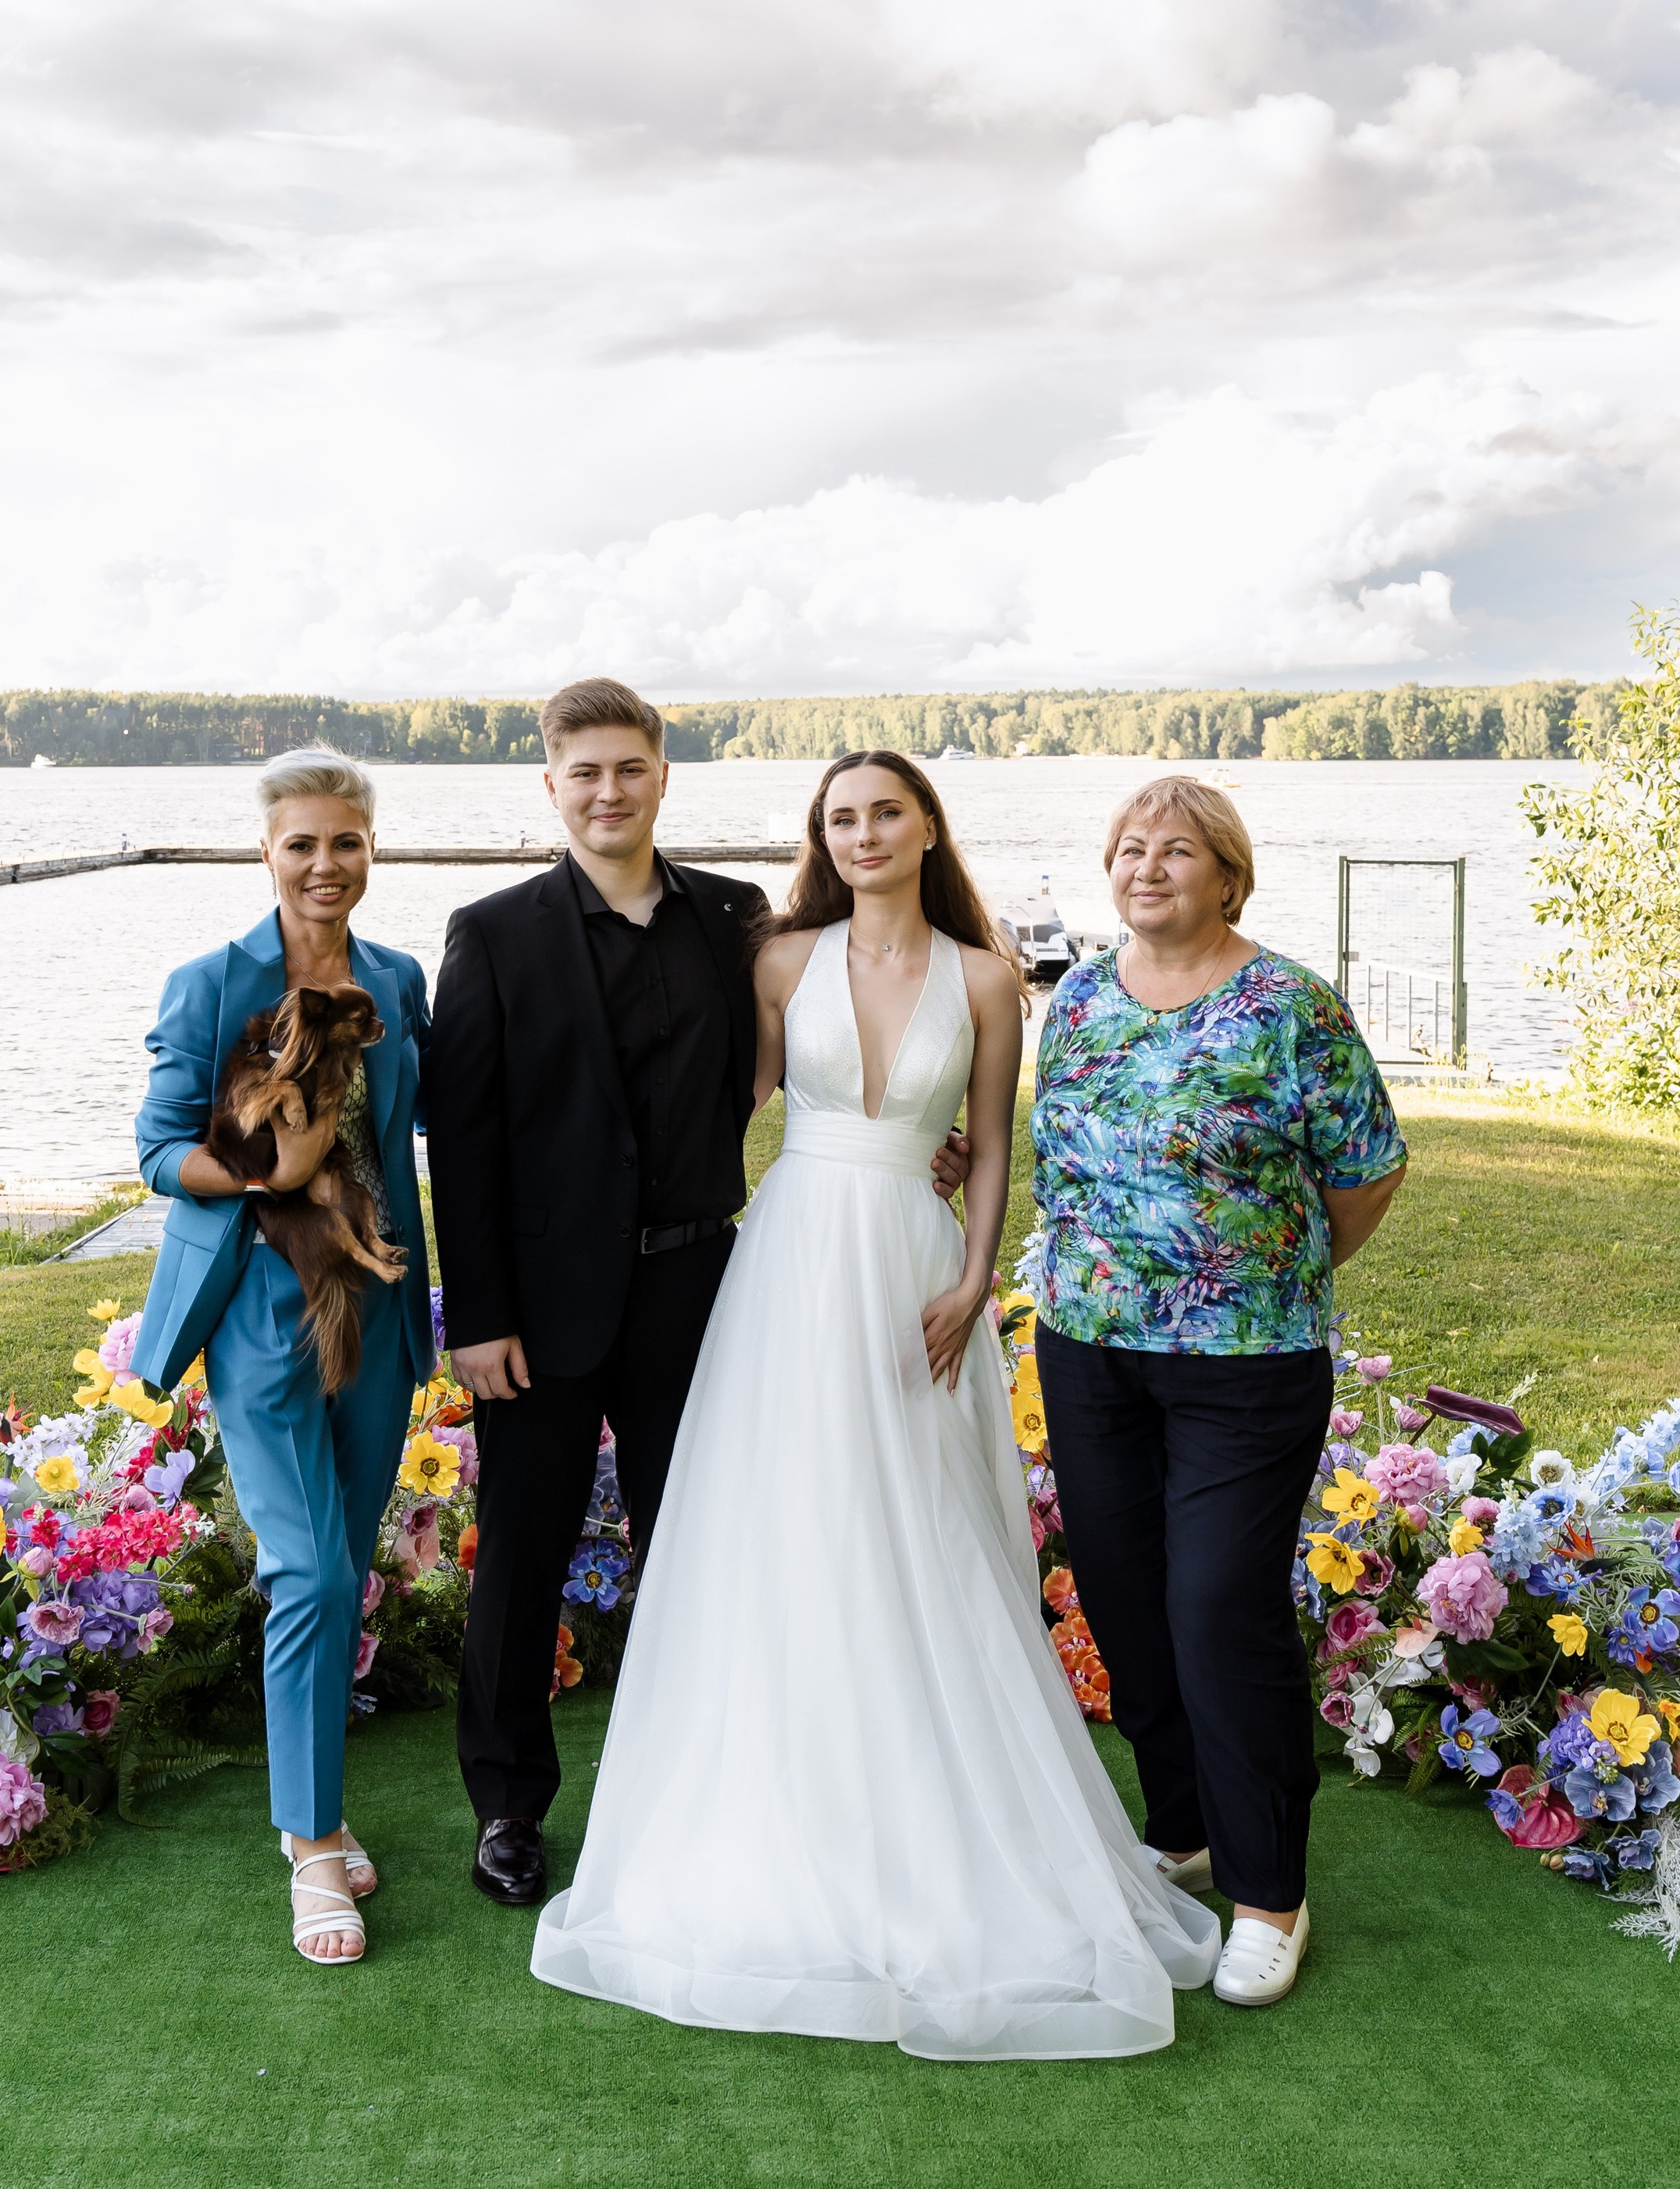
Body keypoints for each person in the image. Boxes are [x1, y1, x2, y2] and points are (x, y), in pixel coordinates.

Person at [529, 751, 1221, 2059]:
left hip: (916, 1263)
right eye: (840, 818)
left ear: (923, 828)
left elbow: (994, 1141)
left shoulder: (987, 976)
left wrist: (973, 1273)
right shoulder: (779, 963)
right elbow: (719, 1113)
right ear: (822, 837)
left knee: (929, 1526)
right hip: (793, 1260)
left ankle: (956, 1807)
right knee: (793, 1520)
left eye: (883, 813)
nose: (861, 834)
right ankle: (787, 1808)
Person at [1029, 774, 1406, 2009]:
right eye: (1130, 848)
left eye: (1177, 851)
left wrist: (1267, 1271)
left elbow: (1364, 1171)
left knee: (1218, 1610)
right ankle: (1181, 1825)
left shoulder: (1288, 1004)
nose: (1148, 868)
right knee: (1128, 1604)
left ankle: (1268, 1894)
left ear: (1228, 877)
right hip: (1089, 1352)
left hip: (1247, 1367)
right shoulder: (1077, 998)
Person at [425, 678, 770, 1909]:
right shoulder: (495, 932)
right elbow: (460, 1143)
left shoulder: (736, 919)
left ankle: (701, 1792)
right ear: (552, 787)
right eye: (586, 773)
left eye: (631, 768)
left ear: (664, 775)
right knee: (524, 1552)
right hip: (542, 1304)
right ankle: (509, 1807)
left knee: (703, 1546)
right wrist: (477, 1316)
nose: (610, 791)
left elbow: (802, 1056)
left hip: (699, 1287)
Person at [132, 747, 436, 1966]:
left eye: (346, 842)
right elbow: (160, 1150)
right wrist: (280, 1171)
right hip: (261, 1306)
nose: (325, 863)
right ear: (266, 850)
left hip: (381, 1299)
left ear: (372, 850)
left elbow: (446, 1119)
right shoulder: (212, 984)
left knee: (345, 1563)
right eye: (301, 842)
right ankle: (310, 1842)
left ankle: (319, 1803)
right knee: (306, 1570)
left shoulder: (401, 981)